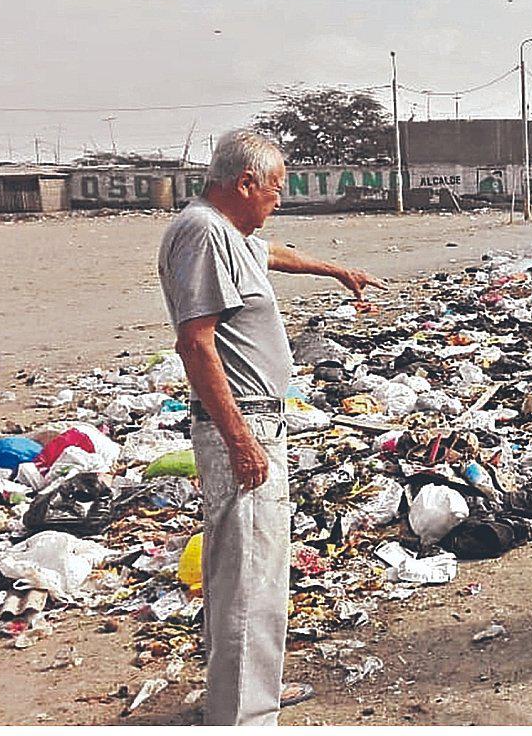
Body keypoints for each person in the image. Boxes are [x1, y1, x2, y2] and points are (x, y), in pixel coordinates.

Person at [158, 128, 384, 725]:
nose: (279, 199)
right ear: (245, 183)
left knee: (255, 571)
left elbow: (273, 253)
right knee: (246, 579)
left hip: (257, 419)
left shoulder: (228, 232)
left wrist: (337, 269)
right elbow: (196, 343)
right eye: (276, 189)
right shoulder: (203, 232)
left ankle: (252, 692)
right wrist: (240, 440)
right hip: (242, 424)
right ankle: (242, 718)